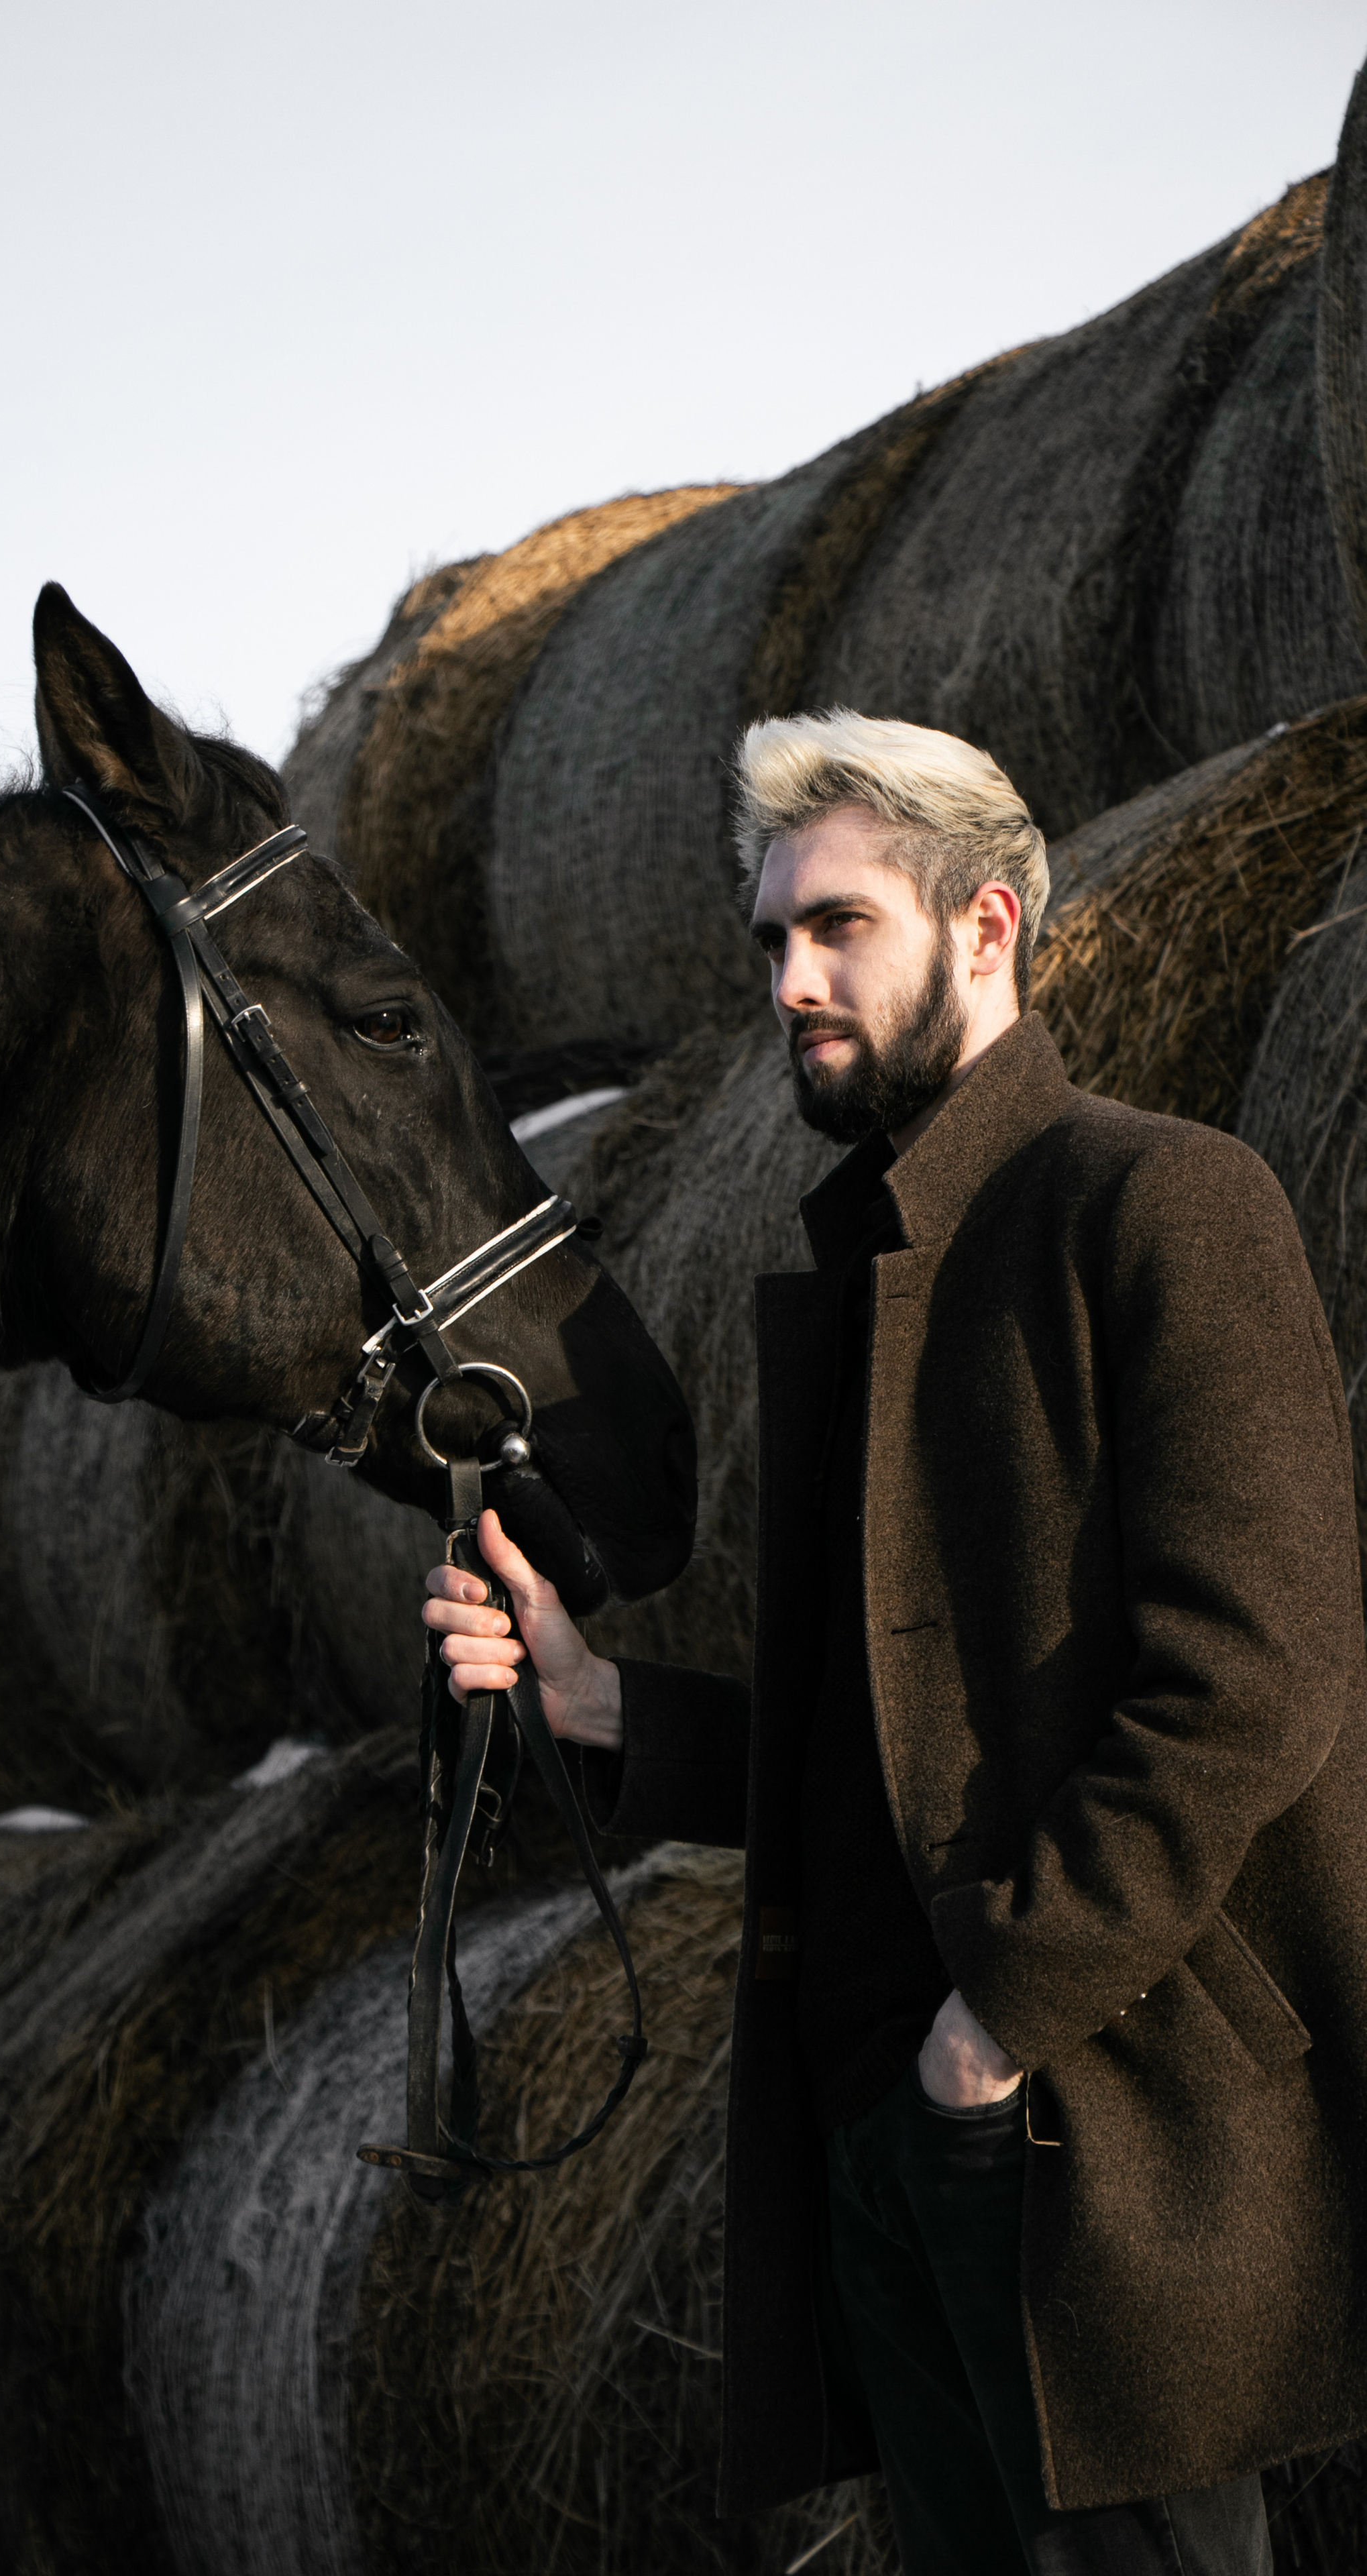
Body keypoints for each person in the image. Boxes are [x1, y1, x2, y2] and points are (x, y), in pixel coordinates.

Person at [423, 710, 1367, 2576]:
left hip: (1091, 2123)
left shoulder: (1158, 1203)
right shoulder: (865, 1278)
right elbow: (892, 1744)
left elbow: (1251, 1676)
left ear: (992, 925)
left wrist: (992, 2029)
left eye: (839, 925)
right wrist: (608, 1706)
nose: (792, 979)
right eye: (772, 938)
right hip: (883, 2132)